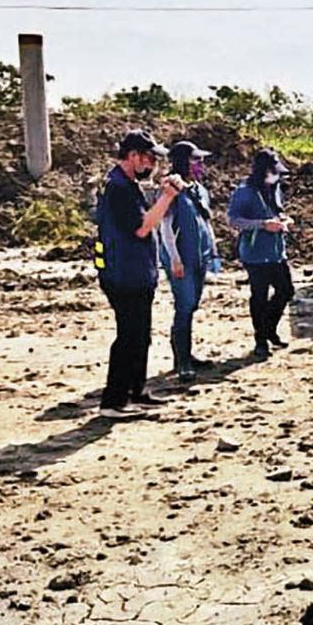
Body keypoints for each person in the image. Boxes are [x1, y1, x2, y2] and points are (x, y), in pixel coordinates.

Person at [94, 130, 185, 419]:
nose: (153, 166)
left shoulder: (128, 185)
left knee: (140, 335)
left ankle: (136, 391)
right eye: (148, 158)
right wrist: (167, 197)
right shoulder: (118, 188)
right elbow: (142, 227)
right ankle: (114, 401)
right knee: (129, 337)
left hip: (136, 272)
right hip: (123, 274)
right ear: (132, 155)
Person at [157, 140, 219, 381]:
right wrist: (174, 259)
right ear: (183, 161)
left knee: (192, 305)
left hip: (199, 255)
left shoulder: (198, 189)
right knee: (183, 306)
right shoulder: (170, 187)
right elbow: (165, 227)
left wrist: (212, 249)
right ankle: (181, 361)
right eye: (196, 159)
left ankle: (187, 354)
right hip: (181, 257)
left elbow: (206, 221)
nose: (200, 164)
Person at [229, 149, 296, 359]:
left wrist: (285, 220)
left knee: (286, 290)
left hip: (276, 252)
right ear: (262, 171)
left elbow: (277, 211)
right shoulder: (244, 192)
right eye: (272, 172)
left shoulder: (274, 189)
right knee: (259, 295)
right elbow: (234, 220)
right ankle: (261, 339)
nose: (276, 177)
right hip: (255, 254)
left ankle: (269, 328)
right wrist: (262, 225)